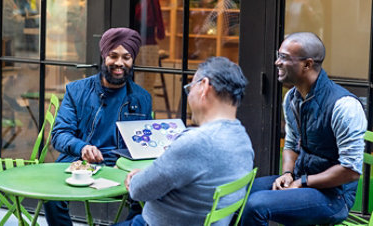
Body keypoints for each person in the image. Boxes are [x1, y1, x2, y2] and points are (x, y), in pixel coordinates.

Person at [241, 32, 367, 225]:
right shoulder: (291, 98)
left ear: (307, 64)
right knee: (237, 195)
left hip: (334, 196)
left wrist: (303, 182)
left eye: (284, 57)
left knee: (256, 205)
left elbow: (350, 171)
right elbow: (291, 145)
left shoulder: (345, 106)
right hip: (301, 180)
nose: (276, 62)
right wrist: (287, 174)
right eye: (278, 55)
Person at [116, 57, 254, 225]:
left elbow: (138, 190)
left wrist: (137, 178)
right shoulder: (242, 138)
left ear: (204, 86)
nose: (189, 97)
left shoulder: (197, 142)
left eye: (190, 88)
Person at [44, 27, 153, 226]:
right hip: (77, 162)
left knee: (146, 196)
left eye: (126, 57)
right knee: (52, 197)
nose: (119, 63)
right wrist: (82, 147)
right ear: (104, 56)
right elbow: (59, 134)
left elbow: (145, 147)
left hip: (121, 167)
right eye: (113, 56)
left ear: (132, 60)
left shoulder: (142, 98)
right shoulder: (76, 90)